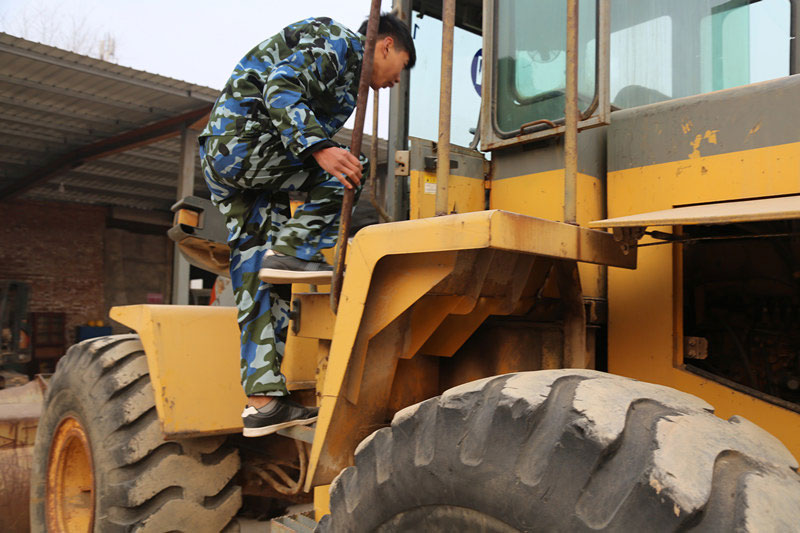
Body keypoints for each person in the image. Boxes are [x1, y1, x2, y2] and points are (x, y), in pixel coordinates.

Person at [199, 14, 416, 437]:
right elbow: (280, 86)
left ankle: (263, 402)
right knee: (349, 168)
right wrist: (319, 148)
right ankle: (294, 249)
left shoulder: (350, 79)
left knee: (262, 275)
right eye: (402, 67)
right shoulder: (340, 43)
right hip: (241, 143)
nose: (396, 80)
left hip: (234, 160)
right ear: (386, 45)